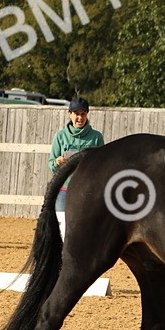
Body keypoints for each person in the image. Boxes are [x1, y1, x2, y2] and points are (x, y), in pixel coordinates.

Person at [49, 97, 105, 237]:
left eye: (83, 114)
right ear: (70, 114)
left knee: (86, 229)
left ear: (87, 115)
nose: (80, 117)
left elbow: (103, 166)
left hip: (86, 192)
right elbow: (50, 165)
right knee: (63, 229)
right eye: (76, 113)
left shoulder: (96, 137)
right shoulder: (60, 137)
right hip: (64, 190)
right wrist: (57, 162)